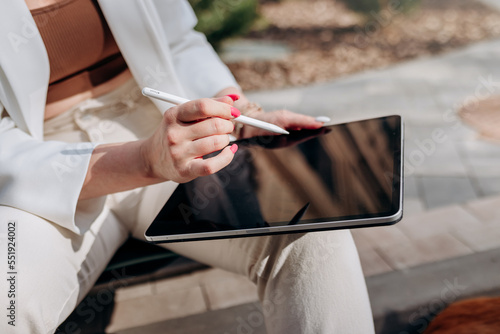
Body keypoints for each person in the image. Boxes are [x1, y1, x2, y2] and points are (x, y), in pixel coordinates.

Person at [0, 1, 375, 333]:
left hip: (172, 133)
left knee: (312, 231)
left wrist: (236, 115)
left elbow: (180, 40)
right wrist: (144, 160)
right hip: (40, 167)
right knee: (8, 297)